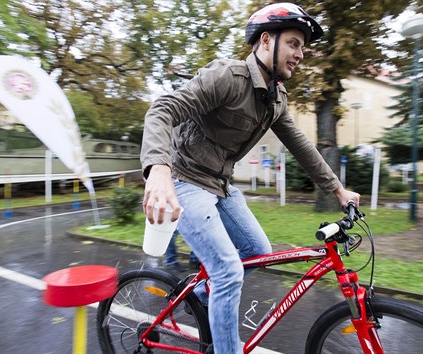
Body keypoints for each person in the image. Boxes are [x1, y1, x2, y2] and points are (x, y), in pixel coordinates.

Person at [140, 3, 360, 353]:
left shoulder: (275, 98)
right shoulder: (228, 76)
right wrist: (159, 171)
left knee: (257, 250)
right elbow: (163, 110)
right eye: (293, 43)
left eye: (302, 47)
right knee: (229, 271)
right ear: (266, 41)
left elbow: (300, 144)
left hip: (221, 185)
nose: (300, 54)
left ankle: (200, 296)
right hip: (185, 178)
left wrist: (336, 188)